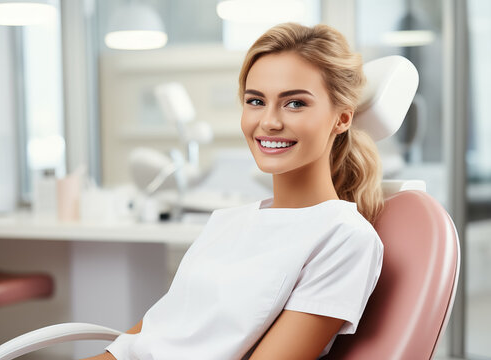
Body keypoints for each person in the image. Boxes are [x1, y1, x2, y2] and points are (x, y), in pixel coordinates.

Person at [85, 22, 384, 360]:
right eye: (256, 101)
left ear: (342, 118)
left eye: (295, 104)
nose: (269, 122)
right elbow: (145, 339)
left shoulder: (344, 238)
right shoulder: (229, 222)